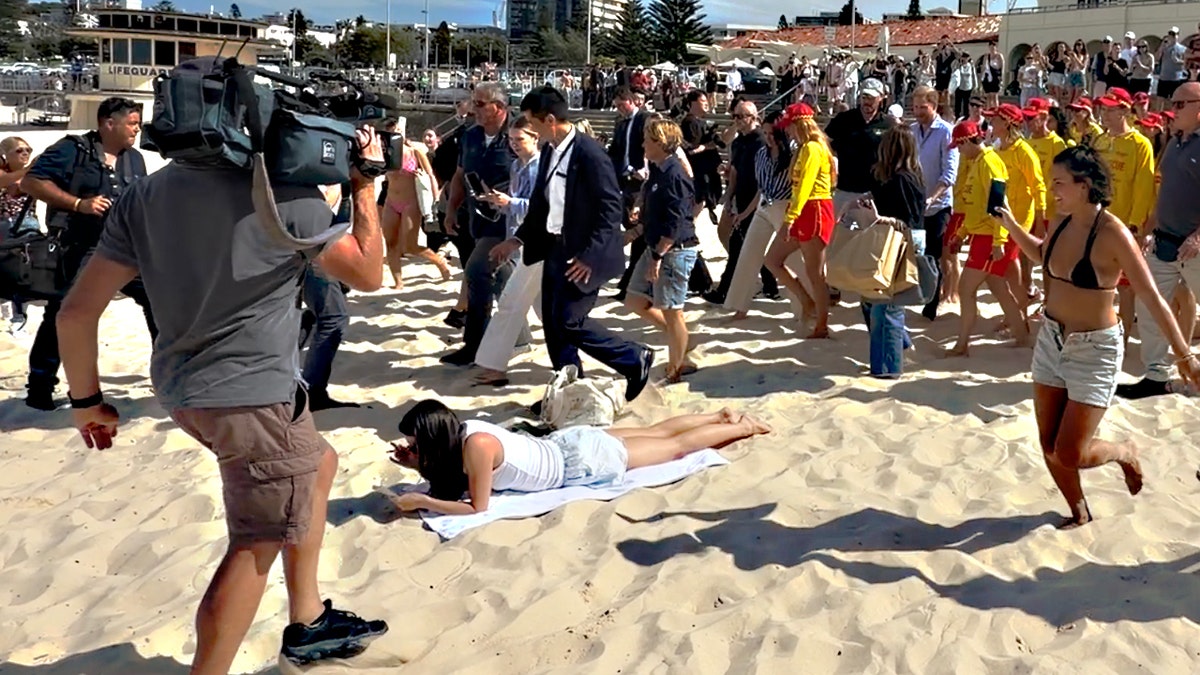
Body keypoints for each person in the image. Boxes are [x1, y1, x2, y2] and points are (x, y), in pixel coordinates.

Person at [55, 57, 390, 673]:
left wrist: (87, 402)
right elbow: (368, 272)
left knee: (318, 462)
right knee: (255, 542)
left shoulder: (144, 194)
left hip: (184, 389)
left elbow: (76, 314)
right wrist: (365, 181)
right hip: (252, 396)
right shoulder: (285, 195)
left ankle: (309, 618)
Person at [991, 145, 1199, 528]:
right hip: (1052, 339)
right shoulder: (1062, 219)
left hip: (1095, 349)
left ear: (1084, 185)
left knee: (1069, 451)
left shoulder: (1113, 233)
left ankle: (1124, 451)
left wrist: (1184, 356)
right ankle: (1079, 510)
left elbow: (1151, 295)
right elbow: (1044, 255)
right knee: (1048, 443)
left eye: (1059, 182)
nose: (1052, 189)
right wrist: (1011, 227)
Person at [490, 86, 654, 402]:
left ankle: (634, 357)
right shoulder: (550, 150)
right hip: (552, 247)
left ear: (550, 120)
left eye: (533, 124)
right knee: (553, 325)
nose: (531, 132)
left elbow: (610, 209)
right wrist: (516, 239)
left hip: (583, 253)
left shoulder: (590, 153)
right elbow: (541, 205)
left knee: (570, 322)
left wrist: (589, 256)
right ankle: (568, 393)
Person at [383, 399, 771, 515]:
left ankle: (742, 427)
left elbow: (478, 508)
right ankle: (719, 416)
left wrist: (423, 500)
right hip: (570, 445)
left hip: (581, 462)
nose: (412, 450)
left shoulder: (476, 449)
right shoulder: (462, 431)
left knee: (674, 448)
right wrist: (418, 463)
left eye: (416, 445)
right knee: (657, 432)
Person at [19, 97, 155, 411]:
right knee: (63, 314)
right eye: (131, 123)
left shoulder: (135, 159)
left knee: (159, 303)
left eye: (138, 123)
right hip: (80, 248)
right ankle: (39, 388)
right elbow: (31, 182)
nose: (137, 129)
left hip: (126, 250)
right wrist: (79, 204)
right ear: (109, 123)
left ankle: (169, 376)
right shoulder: (72, 150)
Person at [1118, 83, 1200, 399]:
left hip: (1192, 246)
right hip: (1163, 243)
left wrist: (1197, 237)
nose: (1172, 111)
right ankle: (1156, 376)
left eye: (1180, 105)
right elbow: (1162, 193)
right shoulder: (1175, 143)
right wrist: (1147, 230)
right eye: (1172, 104)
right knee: (1150, 309)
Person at [440, 83, 518, 366]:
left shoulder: (518, 135)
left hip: (508, 223)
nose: (474, 108)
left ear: (499, 107)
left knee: (476, 273)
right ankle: (520, 336)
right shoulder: (470, 136)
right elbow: (460, 175)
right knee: (504, 277)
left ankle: (474, 346)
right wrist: (451, 210)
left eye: (480, 103)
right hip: (476, 220)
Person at [945, 120, 1031, 356]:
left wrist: (998, 242)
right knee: (998, 287)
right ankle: (1023, 336)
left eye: (959, 146)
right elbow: (975, 206)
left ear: (967, 142)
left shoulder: (990, 163)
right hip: (981, 235)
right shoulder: (977, 162)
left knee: (965, 289)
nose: (959, 151)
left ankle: (962, 344)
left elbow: (999, 206)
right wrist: (961, 234)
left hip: (989, 238)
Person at [624, 117, 699, 382]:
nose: (642, 143)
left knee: (672, 309)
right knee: (634, 300)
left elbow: (675, 221)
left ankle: (676, 367)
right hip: (656, 246)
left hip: (674, 250)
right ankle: (681, 340)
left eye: (647, 139)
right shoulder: (658, 170)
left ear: (660, 142)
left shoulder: (674, 174)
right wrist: (634, 231)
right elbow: (654, 213)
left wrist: (658, 256)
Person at [472, 117, 542, 387]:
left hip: (534, 241)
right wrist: (497, 202)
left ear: (535, 138)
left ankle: (493, 364)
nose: (514, 146)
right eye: (511, 140)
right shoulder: (516, 166)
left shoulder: (539, 168)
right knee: (543, 308)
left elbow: (538, 208)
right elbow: (515, 207)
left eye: (520, 140)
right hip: (517, 237)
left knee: (512, 302)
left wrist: (510, 202)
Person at [764, 103, 836, 339]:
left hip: (813, 209)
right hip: (807, 208)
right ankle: (807, 302)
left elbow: (805, 187)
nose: (787, 131)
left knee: (815, 273)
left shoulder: (812, 148)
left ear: (799, 124)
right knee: (773, 260)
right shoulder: (807, 147)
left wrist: (789, 219)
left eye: (790, 125)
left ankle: (822, 323)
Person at [864, 127, 927, 378]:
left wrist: (878, 218)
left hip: (900, 242)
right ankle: (899, 346)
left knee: (887, 306)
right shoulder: (901, 176)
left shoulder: (904, 178)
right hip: (897, 240)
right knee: (874, 300)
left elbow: (908, 220)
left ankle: (888, 368)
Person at [1095, 87, 1156, 339]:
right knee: (1099, 284)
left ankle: (1125, 340)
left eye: (1110, 110)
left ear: (1124, 111)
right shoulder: (1099, 141)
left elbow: (1144, 189)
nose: (1105, 114)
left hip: (1123, 228)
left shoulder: (1140, 144)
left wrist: (1135, 227)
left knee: (1125, 289)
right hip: (1095, 223)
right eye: (1104, 109)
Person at [724, 111, 795, 321]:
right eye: (765, 132)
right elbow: (761, 190)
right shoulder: (761, 154)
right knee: (748, 255)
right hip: (764, 207)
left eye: (772, 133)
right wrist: (745, 213)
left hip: (786, 209)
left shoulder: (793, 153)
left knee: (795, 262)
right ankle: (739, 308)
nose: (768, 137)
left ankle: (804, 310)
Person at [707, 100, 777, 305]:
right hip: (741, 198)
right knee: (747, 245)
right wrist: (728, 197)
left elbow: (762, 181)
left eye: (742, 116)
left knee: (740, 246)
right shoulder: (738, 143)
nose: (737, 121)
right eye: (735, 116)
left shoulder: (761, 142)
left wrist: (748, 209)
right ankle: (770, 285)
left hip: (758, 201)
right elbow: (735, 173)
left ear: (754, 118)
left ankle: (724, 291)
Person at [986, 102, 1045, 313]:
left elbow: (1039, 187)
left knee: (1005, 269)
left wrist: (1039, 223)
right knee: (1009, 269)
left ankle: (1018, 313)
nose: (991, 122)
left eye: (995, 119)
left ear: (1008, 123)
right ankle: (1018, 311)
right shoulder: (997, 148)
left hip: (1019, 219)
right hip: (1000, 218)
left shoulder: (1024, 151)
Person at [381, 117, 450, 289]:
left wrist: (435, 198)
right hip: (391, 201)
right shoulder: (384, 153)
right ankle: (398, 282)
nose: (393, 135)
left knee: (409, 245)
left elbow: (431, 175)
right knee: (390, 243)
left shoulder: (414, 152)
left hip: (410, 203)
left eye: (395, 131)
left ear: (402, 132)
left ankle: (439, 261)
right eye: (389, 132)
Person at [911, 86, 958, 322]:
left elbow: (950, 173)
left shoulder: (946, 132)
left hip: (939, 206)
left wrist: (933, 196)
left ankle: (932, 303)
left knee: (934, 255)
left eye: (923, 107)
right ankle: (925, 293)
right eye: (916, 107)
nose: (918, 112)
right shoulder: (911, 131)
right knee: (918, 252)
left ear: (934, 106)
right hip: (916, 204)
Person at [825, 78, 890, 215]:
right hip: (844, 189)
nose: (867, 102)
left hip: (874, 192)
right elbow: (824, 142)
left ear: (881, 98)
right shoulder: (843, 120)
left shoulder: (888, 124)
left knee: (871, 234)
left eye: (872, 98)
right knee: (838, 233)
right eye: (864, 97)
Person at [609, 87, 649, 302]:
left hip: (639, 179)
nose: (619, 109)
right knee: (632, 226)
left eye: (621, 105)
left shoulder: (645, 119)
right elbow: (616, 150)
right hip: (622, 179)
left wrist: (645, 169)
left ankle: (630, 281)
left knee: (637, 227)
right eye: (616, 106)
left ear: (632, 101)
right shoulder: (620, 123)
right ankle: (631, 280)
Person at [0, 136, 37, 333]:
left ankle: (18, 314)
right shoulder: (6, 174)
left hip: (28, 227)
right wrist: (30, 170)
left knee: (23, 271)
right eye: (19, 150)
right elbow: (13, 187)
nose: (24, 153)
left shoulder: (33, 174)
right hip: (6, 228)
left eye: (28, 150)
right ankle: (15, 314)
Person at [1157, 28, 1188, 111]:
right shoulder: (1165, 48)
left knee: (1173, 100)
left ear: (1178, 36)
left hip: (1175, 78)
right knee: (1160, 100)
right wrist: (1162, 46)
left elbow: (1186, 63)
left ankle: (1172, 117)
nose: (1172, 37)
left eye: (1174, 34)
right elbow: (1157, 58)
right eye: (1170, 34)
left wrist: (1178, 61)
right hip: (1164, 77)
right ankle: (1158, 117)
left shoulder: (1183, 49)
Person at [978, 41, 1004, 109]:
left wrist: (1001, 78)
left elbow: (1001, 67)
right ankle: (989, 110)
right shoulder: (986, 56)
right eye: (991, 47)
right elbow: (983, 67)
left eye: (993, 46)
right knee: (988, 96)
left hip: (995, 76)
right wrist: (981, 78)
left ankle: (996, 110)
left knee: (994, 96)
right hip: (987, 77)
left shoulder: (999, 56)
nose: (992, 48)